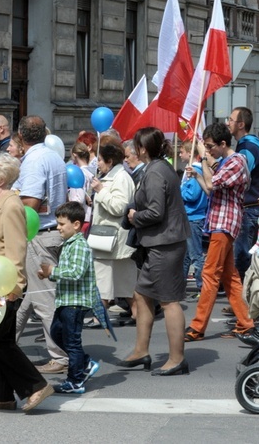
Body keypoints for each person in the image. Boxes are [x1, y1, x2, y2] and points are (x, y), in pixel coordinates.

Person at [0, 153, 54, 412]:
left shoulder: (10, 206)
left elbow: (16, 249)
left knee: (0, 341)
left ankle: (35, 386)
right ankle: (1, 395)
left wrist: (15, 286)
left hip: (4, 285)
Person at [119, 127, 190, 375]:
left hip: (165, 244)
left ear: (143, 148)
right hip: (160, 243)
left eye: (135, 145)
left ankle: (176, 358)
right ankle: (141, 350)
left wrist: (135, 216)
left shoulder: (156, 172)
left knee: (169, 301)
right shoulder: (158, 167)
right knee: (141, 295)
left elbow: (156, 212)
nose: (131, 150)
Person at [184, 122, 254, 342]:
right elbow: (208, 187)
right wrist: (196, 175)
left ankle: (197, 326)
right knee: (228, 276)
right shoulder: (227, 161)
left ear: (223, 144)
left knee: (210, 275)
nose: (209, 150)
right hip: (219, 223)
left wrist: (203, 159)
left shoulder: (236, 162)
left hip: (225, 224)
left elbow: (212, 184)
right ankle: (245, 322)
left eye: (211, 146)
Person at [12, 116, 70, 374]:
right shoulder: (53, 156)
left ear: (21, 137)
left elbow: (31, 204)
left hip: (40, 234)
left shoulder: (34, 160)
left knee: (44, 299)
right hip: (51, 231)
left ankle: (60, 356)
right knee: (29, 294)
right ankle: (3, 341)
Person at [38, 201, 100, 393]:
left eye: (62, 224)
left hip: (76, 302)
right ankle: (85, 363)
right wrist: (49, 273)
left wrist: (53, 271)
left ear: (76, 224)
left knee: (72, 342)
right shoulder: (69, 244)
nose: (58, 227)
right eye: (57, 223)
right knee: (57, 332)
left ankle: (75, 380)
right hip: (65, 300)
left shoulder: (79, 245)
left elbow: (76, 272)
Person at [88, 141, 136, 314]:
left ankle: (98, 317)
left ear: (109, 161)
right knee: (122, 283)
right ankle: (137, 314)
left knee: (104, 281)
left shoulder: (121, 178)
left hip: (111, 238)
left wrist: (100, 191)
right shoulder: (111, 177)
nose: (97, 163)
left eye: (100, 160)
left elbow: (119, 207)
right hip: (109, 239)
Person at [228, 107, 259, 281]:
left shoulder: (247, 147)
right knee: (244, 254)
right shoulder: (248, 145)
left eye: (231, 119)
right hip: (249, 208)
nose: (228, 123)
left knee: (242, 255)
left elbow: (239, 175)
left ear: (241, 124)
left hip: (248, 208)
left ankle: (243, 301)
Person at [179, 139, 207, 297]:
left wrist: (180, 189)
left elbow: (192, 194)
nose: (179, 154)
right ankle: (180, 286)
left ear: (190, 154)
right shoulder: (191, 171)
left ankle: (203, 286)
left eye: (182, 151)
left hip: (194, 217)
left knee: (195, 255)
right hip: (189, 217)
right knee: (185, 256)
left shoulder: (195, 171)